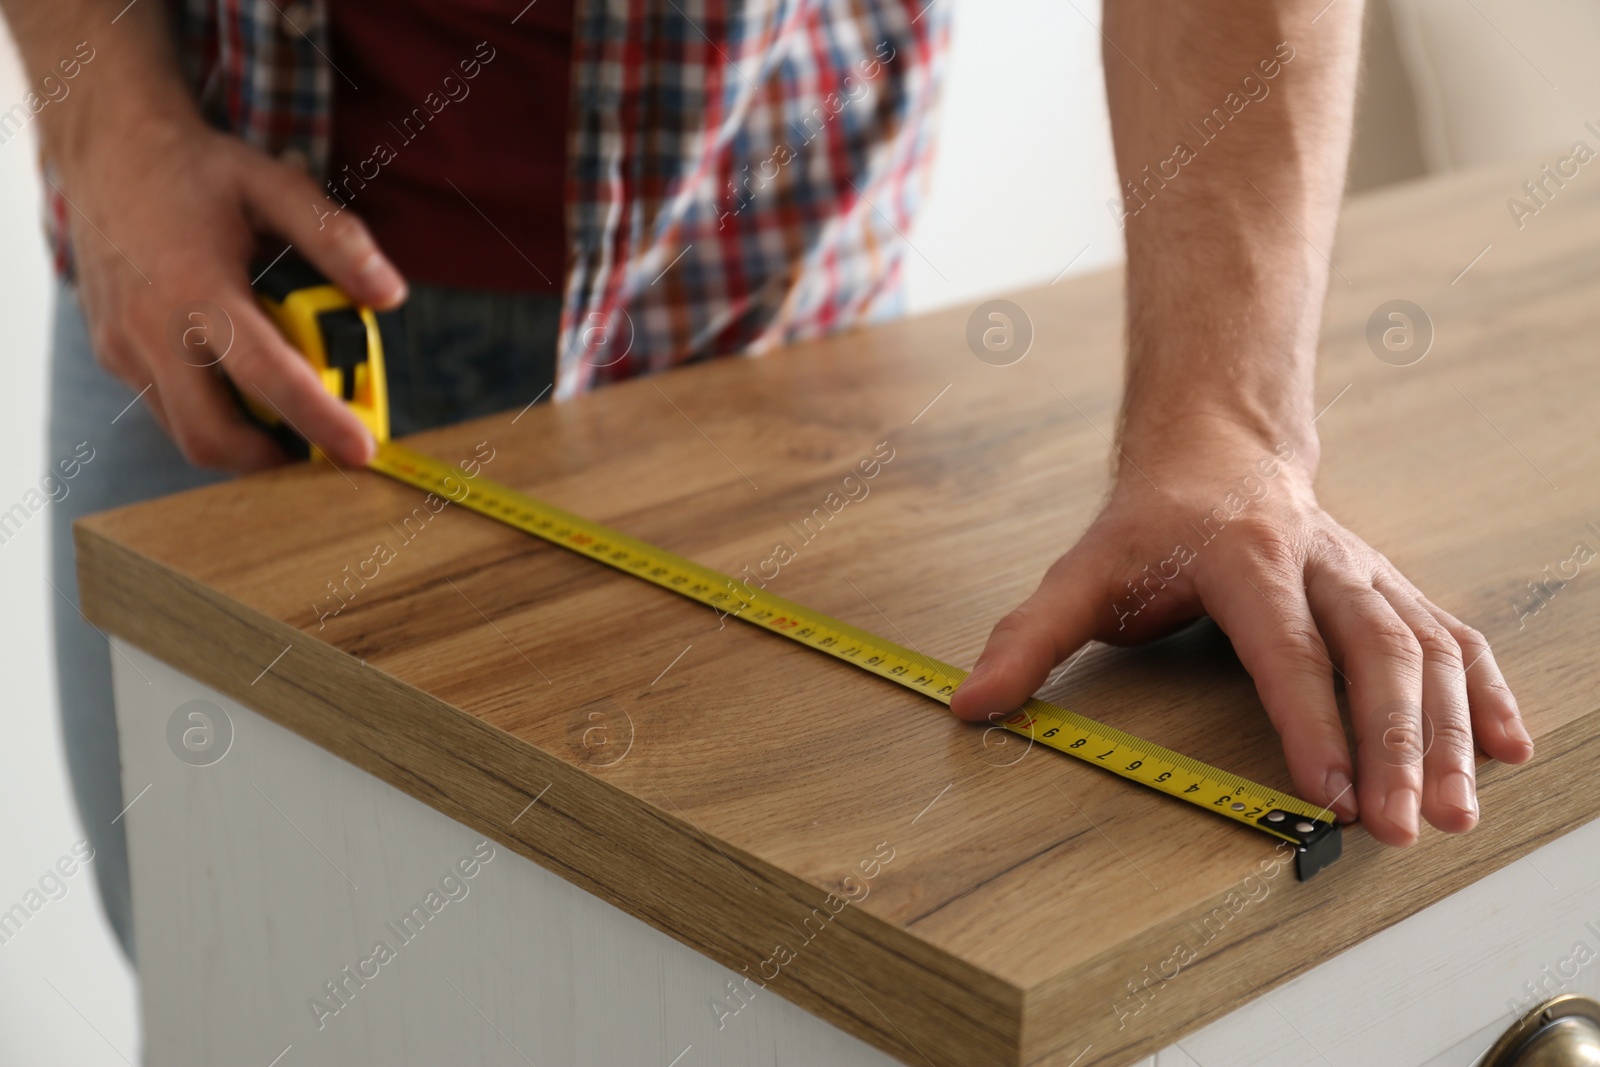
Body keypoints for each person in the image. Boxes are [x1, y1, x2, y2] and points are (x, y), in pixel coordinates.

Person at [0, 0, 1531, 965]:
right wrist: (100, 119)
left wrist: (1229, 423)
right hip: (217, 301)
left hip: (764, 325)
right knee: (239, 971)